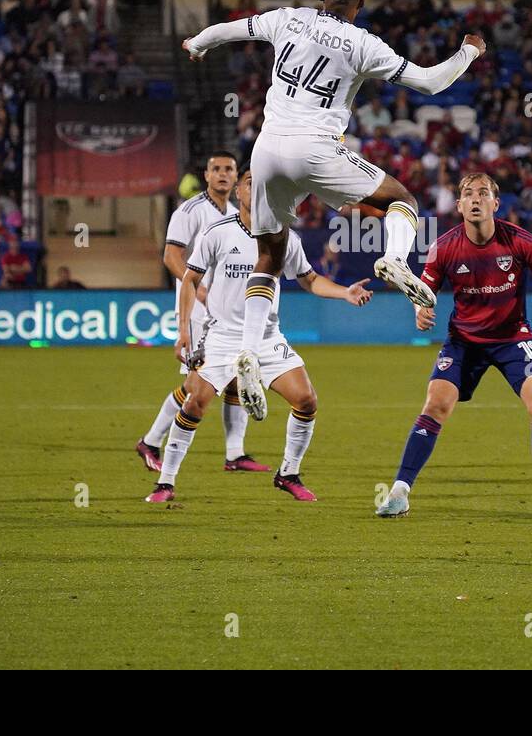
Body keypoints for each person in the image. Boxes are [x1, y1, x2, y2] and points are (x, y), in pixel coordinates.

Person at [182, 0, 487, 420]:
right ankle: (395, 258)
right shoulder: (365, 43)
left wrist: (196, 43)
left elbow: (230, 30)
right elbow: (429, 82)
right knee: (401, 199)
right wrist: (469, 52)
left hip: (266, 151)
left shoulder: (289, 18)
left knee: (268, 254)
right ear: (361, 3)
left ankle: (246, 353)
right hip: (318, 149)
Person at [151, 166, 372, 503]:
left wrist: (345, 292)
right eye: (251, 184)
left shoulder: (285, 237)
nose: (256, 190)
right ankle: (165, 482)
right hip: (223, 337)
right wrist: (183, 331)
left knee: (306, 400)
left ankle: (289, 474)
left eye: (262, 185)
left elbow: (309, 279)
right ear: (239, 192)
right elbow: (189, 280)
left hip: (267, 338)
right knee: (195, 402)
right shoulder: (217, 233)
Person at [376, 172, 532, 520]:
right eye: (468, 194)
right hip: (463, 341)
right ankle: (399, 491)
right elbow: (422, 290)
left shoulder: (522, 241)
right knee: (437, 402)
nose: (475, 199)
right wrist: (420, 309)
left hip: (513, 337)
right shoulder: (444, 247)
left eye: (483, 193)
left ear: (495, 204)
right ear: (458, 205)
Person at [133, 151, 264, 475]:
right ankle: (151, 442)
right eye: (216, 169)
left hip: (225, 313)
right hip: (197, 309)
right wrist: (200, 288)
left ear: (236, 179)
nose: (222, 174)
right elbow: (171, 256)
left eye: (229, 169)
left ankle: (235, 453)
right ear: (206, 175)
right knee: (197, 386)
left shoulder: (237, 213)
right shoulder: (189, 211)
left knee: (235, 378)